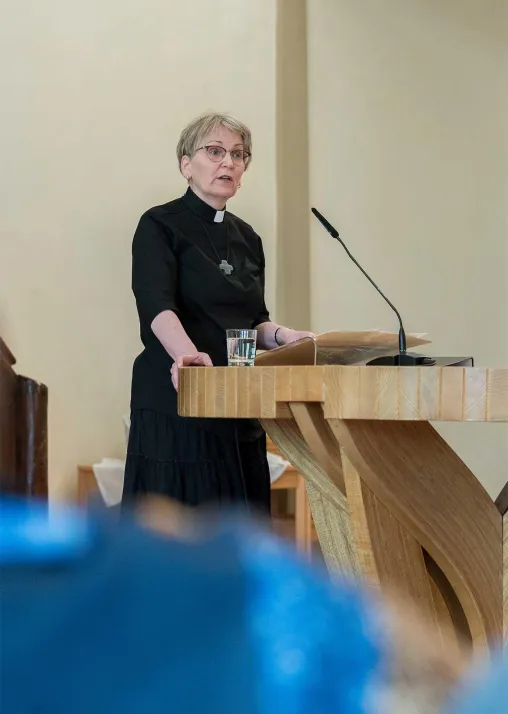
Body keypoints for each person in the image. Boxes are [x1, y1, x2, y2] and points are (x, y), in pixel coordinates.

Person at [123, 113, 312, 514]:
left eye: (238, 155)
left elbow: (254, 319)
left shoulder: (247, 237)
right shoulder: (160, 224)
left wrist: (285, 338)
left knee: (241, 525)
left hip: (237, 400)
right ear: (186, 165)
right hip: (180, 395)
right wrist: (186, 356)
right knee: (185, 531)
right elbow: (156, 304)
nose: (228, 162)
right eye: (215, 151)